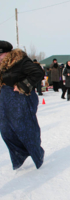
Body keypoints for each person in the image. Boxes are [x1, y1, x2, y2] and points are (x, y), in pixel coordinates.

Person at [0, 40, 45, 170]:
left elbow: (38, 73)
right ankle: (20, 154)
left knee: (25, 128)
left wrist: (22, 85)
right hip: (5, 99)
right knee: (6, 130)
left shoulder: (20, 61)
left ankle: (36, 152)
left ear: (7, 53)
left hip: (22, 97)